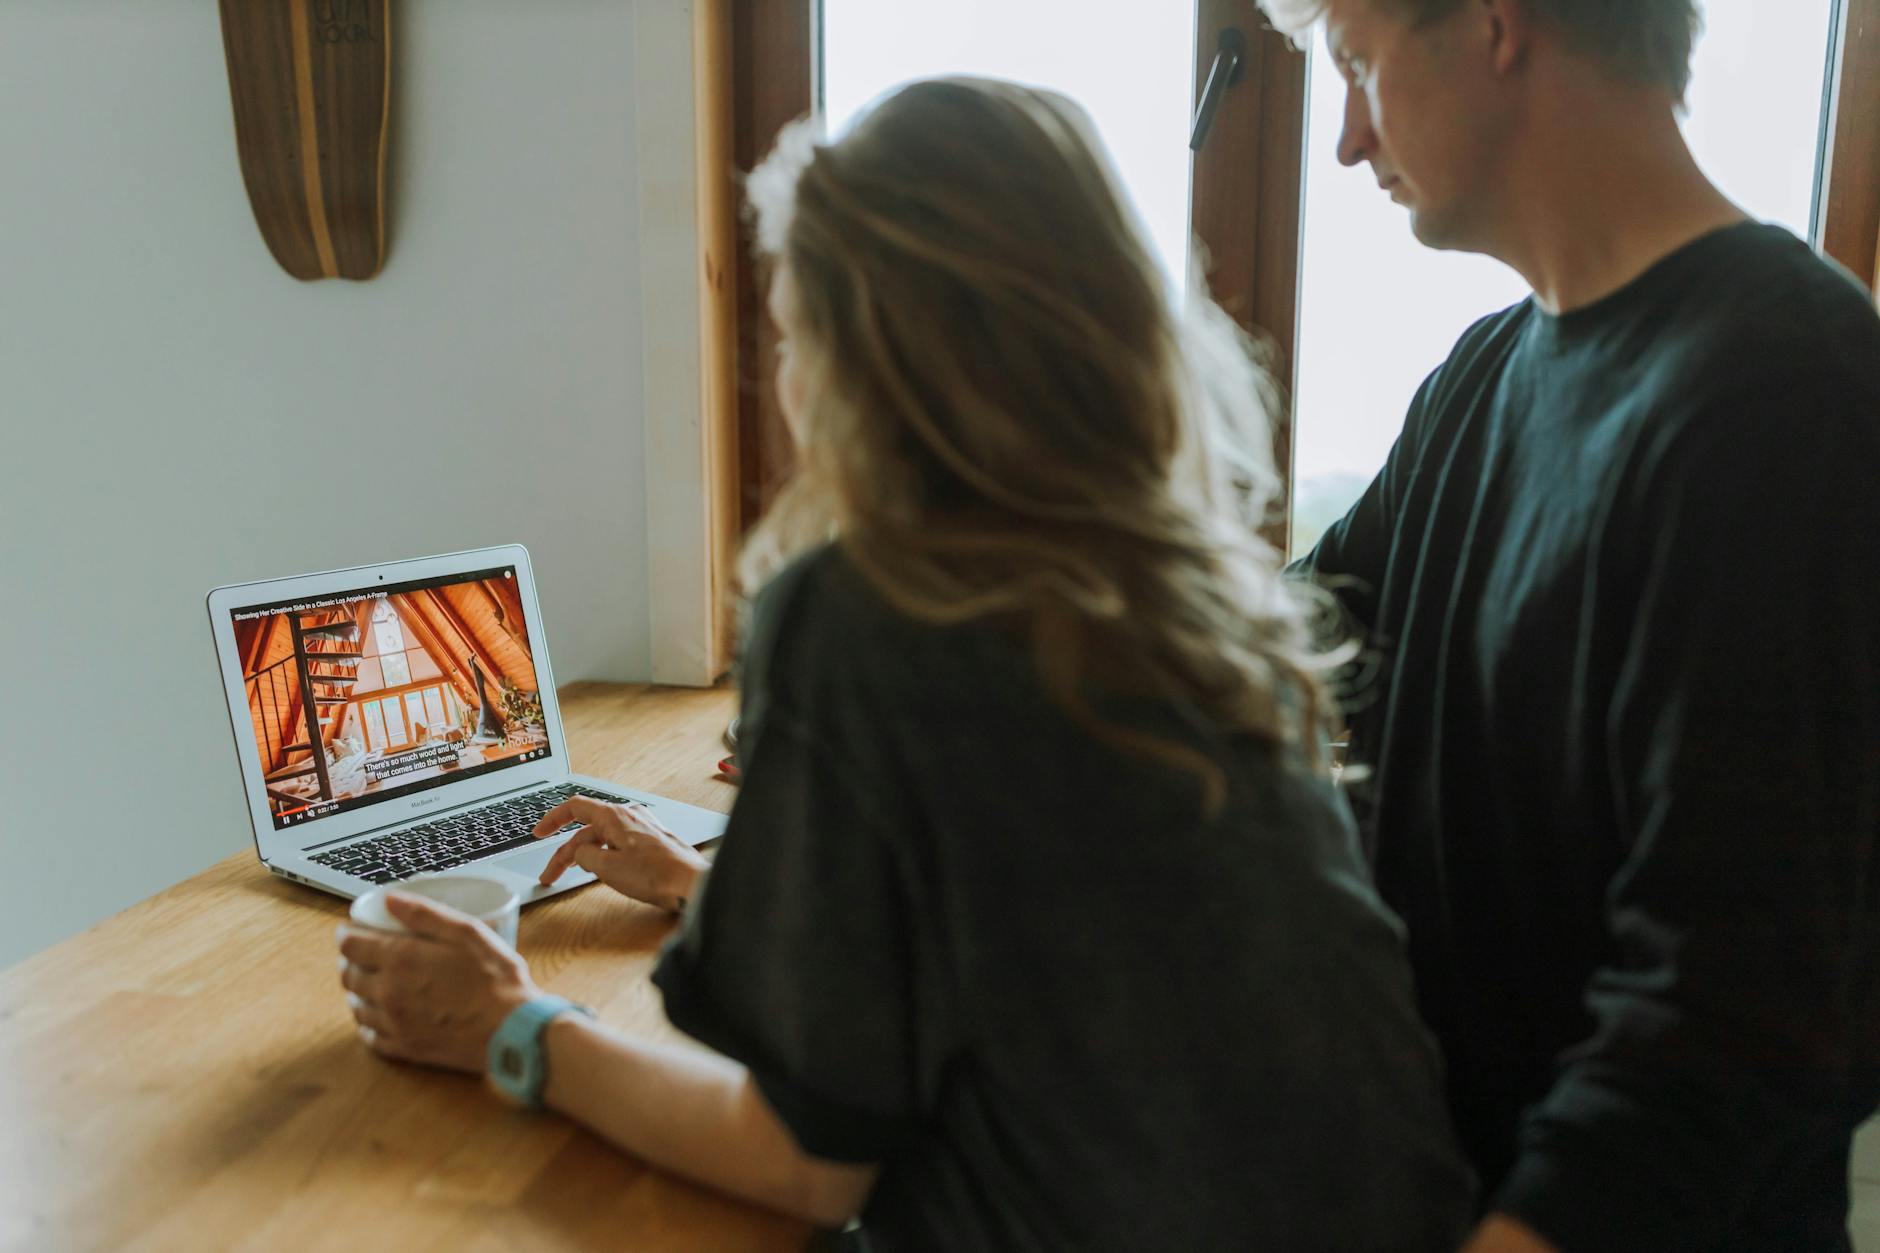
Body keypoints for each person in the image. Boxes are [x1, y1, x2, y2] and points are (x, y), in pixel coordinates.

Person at [335, 78, 1476, 1250]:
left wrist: (513, 1025)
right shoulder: (1186, 593)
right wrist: (718, 890)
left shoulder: (858, 614)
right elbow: (1050, 941)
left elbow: (806, 1158)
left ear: (858, 355)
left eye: (794, 333)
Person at [1255, 1, 1880, 1250]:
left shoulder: (1787, 395)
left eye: (1356, 67)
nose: (1342, 138)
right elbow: (1289, 640)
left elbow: (1734, 1011)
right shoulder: (1483, 374)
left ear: (1494, 23)